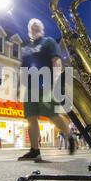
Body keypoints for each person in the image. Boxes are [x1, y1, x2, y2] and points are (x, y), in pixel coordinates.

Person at [18, 18, 74, 161]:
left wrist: (55, 80)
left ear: (42, 29)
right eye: (32, 27)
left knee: (51, 114)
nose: (34, 28)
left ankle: (68, 133)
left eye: (37, 26)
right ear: (29, 30)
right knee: (31, 118)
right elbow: (23, 68)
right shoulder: (26, 47)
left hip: (46, 83)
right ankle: (35, 150)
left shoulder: (48, 41)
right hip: (31, 87)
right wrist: (19, 86)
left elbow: (56, 60)